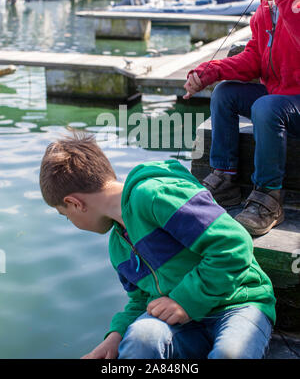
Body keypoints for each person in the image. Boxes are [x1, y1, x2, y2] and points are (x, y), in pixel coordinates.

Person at [39, 132, 276, 359]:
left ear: (75, 203)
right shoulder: (118, 246)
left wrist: (185, 301)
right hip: (185, 324)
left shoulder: (153, 196)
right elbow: (142, 299)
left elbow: (234, 244)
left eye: (65, 214)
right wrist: (115, 336)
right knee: (141, 338)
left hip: (238, 304)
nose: (71, 221)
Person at [183, 0, 300, 236]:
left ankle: (268, 196)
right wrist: (210, 72)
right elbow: (253, 60)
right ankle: (224, 177)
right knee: (226, 94)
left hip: (292, 106)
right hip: (280, 103)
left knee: (266, 107)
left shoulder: (293, 0)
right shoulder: (266, 10)